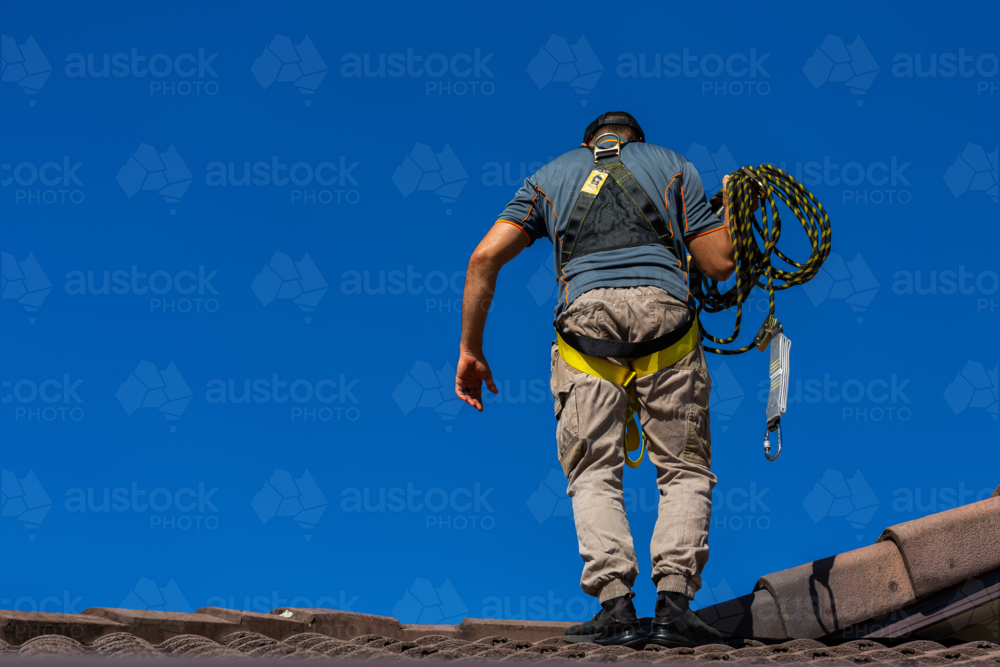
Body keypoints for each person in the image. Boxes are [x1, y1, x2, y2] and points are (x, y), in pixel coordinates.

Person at [455, 112, 738, 649]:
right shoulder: (675, 166)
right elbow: (718, 264)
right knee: (683, 469)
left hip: (586, 330)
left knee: (593, 470)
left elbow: (483, 259)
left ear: (587, 142)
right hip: (666, 320)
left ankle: (616, 608)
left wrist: (471, 350)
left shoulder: (548, 177)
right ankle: (674, 605)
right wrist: (731, 210)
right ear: (639, 141)